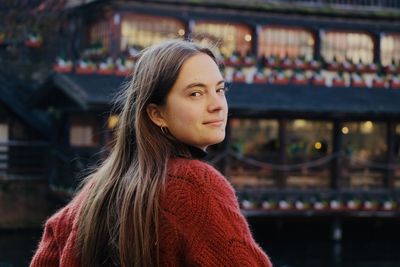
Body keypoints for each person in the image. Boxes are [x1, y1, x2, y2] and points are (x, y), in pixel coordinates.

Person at [30, 39, 272, 267]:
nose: (218, 104)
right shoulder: (195, 186)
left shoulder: (95, 192)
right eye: (195, 93)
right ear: (156, 114)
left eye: (220, 90)